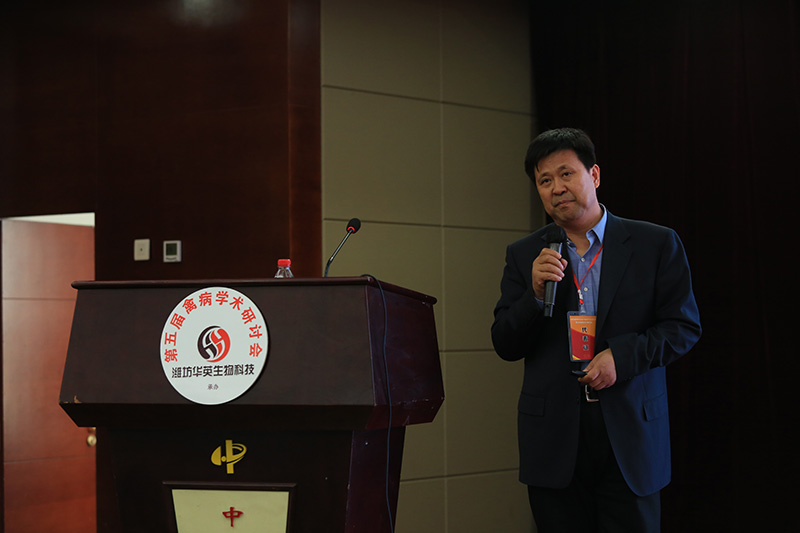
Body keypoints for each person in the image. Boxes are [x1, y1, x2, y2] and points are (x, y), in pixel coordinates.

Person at [491, 128, 701, 532]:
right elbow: (504, 343)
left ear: (595, 175)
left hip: (630, 430)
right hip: (554, 436)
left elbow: (683, 327)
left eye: (566, 174)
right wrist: (534, 296)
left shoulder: (655, 243)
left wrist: (621, 358)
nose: (557, 188)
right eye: (544, 180)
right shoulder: (525, 254)